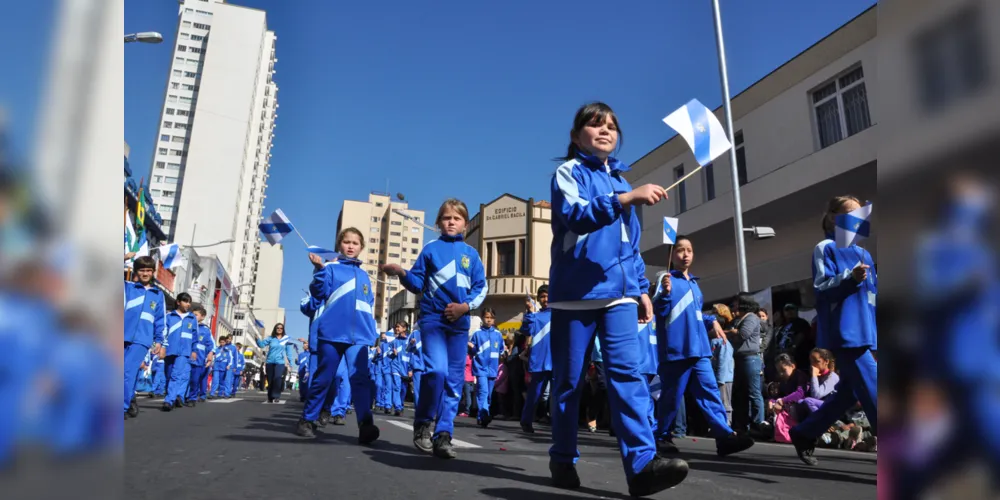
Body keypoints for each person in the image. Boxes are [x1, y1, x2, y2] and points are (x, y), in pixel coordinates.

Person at [547, 102, 688, 497]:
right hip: (576, 295)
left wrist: (642, 287)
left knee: (629, 375)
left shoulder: (624, 181)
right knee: (568, 384)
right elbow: (576, 215)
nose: (605, 130)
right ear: (577, 137)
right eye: (595, 125)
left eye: (611, 125)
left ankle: (642, 465)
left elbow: (630, 245)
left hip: (621, 295)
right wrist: (625, 200)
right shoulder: (568, 173)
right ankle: (561, 456)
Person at [382, 198, 487, 459]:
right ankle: (423, 422)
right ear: (439, 222)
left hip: (459, 325)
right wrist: (402, 273)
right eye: (446, 217)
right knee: (436, 371)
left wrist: (465, 307)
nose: (451, 221)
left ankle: (443, 434)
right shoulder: (430, 249)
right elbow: (417, 283)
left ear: (465, 223)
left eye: (457, 218)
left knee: (454, 381)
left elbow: (481, 287)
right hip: (433, 320)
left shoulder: (471, 254)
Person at [790, 195, 878, 466]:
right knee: (876, 391)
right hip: (845, 333)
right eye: (850, 215)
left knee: (850, 394)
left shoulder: (864, 253)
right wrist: (848, 278)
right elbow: (821, 288)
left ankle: (805, 432)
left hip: (866, 333)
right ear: (834, 218)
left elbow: (873, 296)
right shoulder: (825, 248)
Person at [653, 236, 755, 457]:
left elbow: (694, 314)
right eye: (680, 250)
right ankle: (661, 436)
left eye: (689, 250)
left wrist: (712, 320)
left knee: (710, 393)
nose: (686, 254)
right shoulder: (665, 279)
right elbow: (659, 311)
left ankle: (723, 436)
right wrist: (664, 294)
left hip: (699, 349)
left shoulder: (694, 284)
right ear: (672, 255)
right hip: (676, 350)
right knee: (671, 396)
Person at [295, 227, 379, 444]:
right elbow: (319, 294)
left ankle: (366, 425)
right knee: (324, 377)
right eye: (346, 242)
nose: (350, 246)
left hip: (359, 337)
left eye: (355, 243)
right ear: (339, 245)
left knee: (360, 379)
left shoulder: (364, 277)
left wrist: (371, 333)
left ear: (361, 248)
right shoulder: (330, 269)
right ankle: (308, 419)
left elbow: (368, 306)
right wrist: (319, 271)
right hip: (332, 334)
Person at [124, 256, 165, 420]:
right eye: (142, 270)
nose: (145, 273)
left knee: (126, 371)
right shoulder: (128, 287)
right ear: (136, 271)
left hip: (142, 340)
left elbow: (161, 321)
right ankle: (130, 398)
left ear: (153, 272)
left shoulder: (158, 295)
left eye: (148, 270)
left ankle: (123, 406)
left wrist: (160, 342)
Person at [730, 293, 765, 434]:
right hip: (740, 359)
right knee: (741, 394)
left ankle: (759, 424)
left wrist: (730, 332)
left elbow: (743, 335)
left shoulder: (751, 317)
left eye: (736, 303)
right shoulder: (740, 319)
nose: (734, 306)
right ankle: (743, 425)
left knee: (753, 392)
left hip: (750, 359)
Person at [520, 285, 552, 433]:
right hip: (540, 360)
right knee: (535, 393)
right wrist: (529, 312)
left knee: (559, 394)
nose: (545, 299)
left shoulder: (560, 314)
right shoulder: (535, 316)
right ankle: (526, 421)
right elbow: (526, 330)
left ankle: (559, 423)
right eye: (542, 297)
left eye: (547, 295)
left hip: (556, 360)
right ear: (538, 299)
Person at [160, 292, 198, 411]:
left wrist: (194, 350)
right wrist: (162, 347)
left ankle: (169, 401)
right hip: (170, 349)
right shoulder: (170, 316)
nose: (188, 304)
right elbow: (163, 333)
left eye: (189, 302)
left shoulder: (192, 319)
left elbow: (195, 336)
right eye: (185, 301)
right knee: (168, 375)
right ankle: (172, 395)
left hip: (184, 351)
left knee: (176, 375)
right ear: (178, 302)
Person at [469, 308, 504, 428]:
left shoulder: (498, 334)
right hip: (480, 367)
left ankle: (481, 415)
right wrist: (471, 347)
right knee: (483, 391)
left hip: (493, 369)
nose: (489, 320)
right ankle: (485, 415)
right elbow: (472, 350)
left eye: (491, 318)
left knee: (488, 395)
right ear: (482, 318)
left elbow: (501, 350)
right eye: (486, 317)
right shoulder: (477, 333)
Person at [256, 323, 294, 403]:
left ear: (283, 329)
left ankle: (276, 396)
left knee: (277, 378)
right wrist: (257, 340)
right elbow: (262, 345)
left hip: (280, 362)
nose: (279, 329)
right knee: (270, 380)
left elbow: (289, 352)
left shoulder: (285, 339)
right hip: (270, 361)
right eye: (278, 328)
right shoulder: (271, 338)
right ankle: (270, 396)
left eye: (281, 328)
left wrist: (291, 363)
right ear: (275, 329)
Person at [187, 304, 215, 404]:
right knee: (184, 378)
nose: (194, 317)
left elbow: (211, 344)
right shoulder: (187, 325)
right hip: (186, 356)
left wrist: (210, 355)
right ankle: (182, 396)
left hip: (199, 358)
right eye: (192, 314)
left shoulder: (206, 330)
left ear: (202, 317)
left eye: (196, 315)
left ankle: (194, 397)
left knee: (196, 379)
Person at [407, 322, 425, 407]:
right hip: (418, 366)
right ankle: (419, 409)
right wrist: (411, 343)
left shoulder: (433, 332)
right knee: (417, 389)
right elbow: (407, 349)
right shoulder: (415, 333)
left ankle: (427, 410)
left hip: (430, 366)